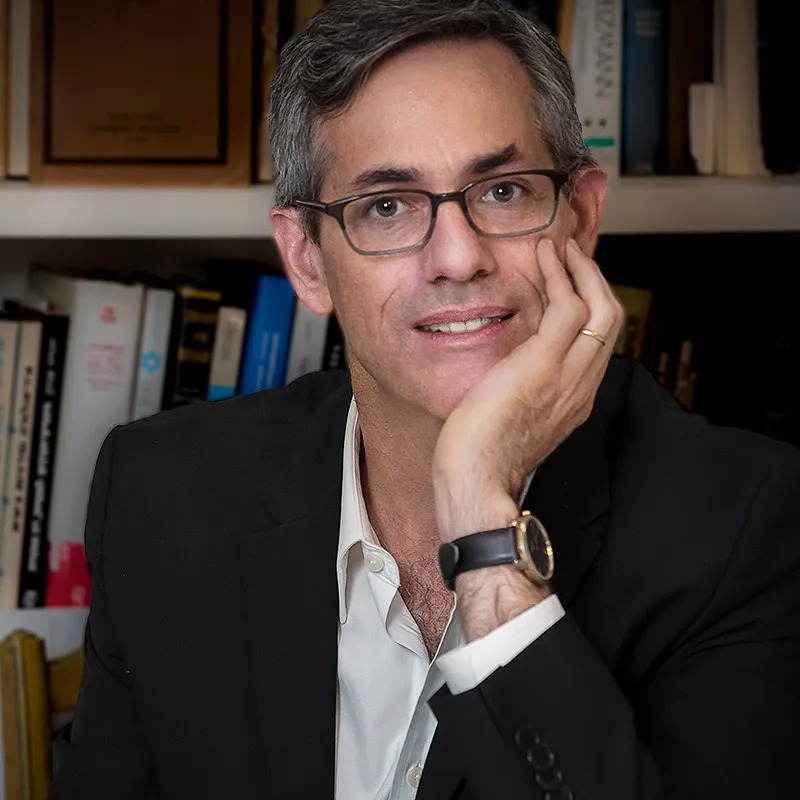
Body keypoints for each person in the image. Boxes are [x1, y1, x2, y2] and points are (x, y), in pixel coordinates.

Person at [50, 1, 800, 798]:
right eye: (386, 205)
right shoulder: (161, 491)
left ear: (579, 218)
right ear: (306, 260)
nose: (458, 256)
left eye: (504, 191)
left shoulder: (747, 527)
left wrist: (482, 523)